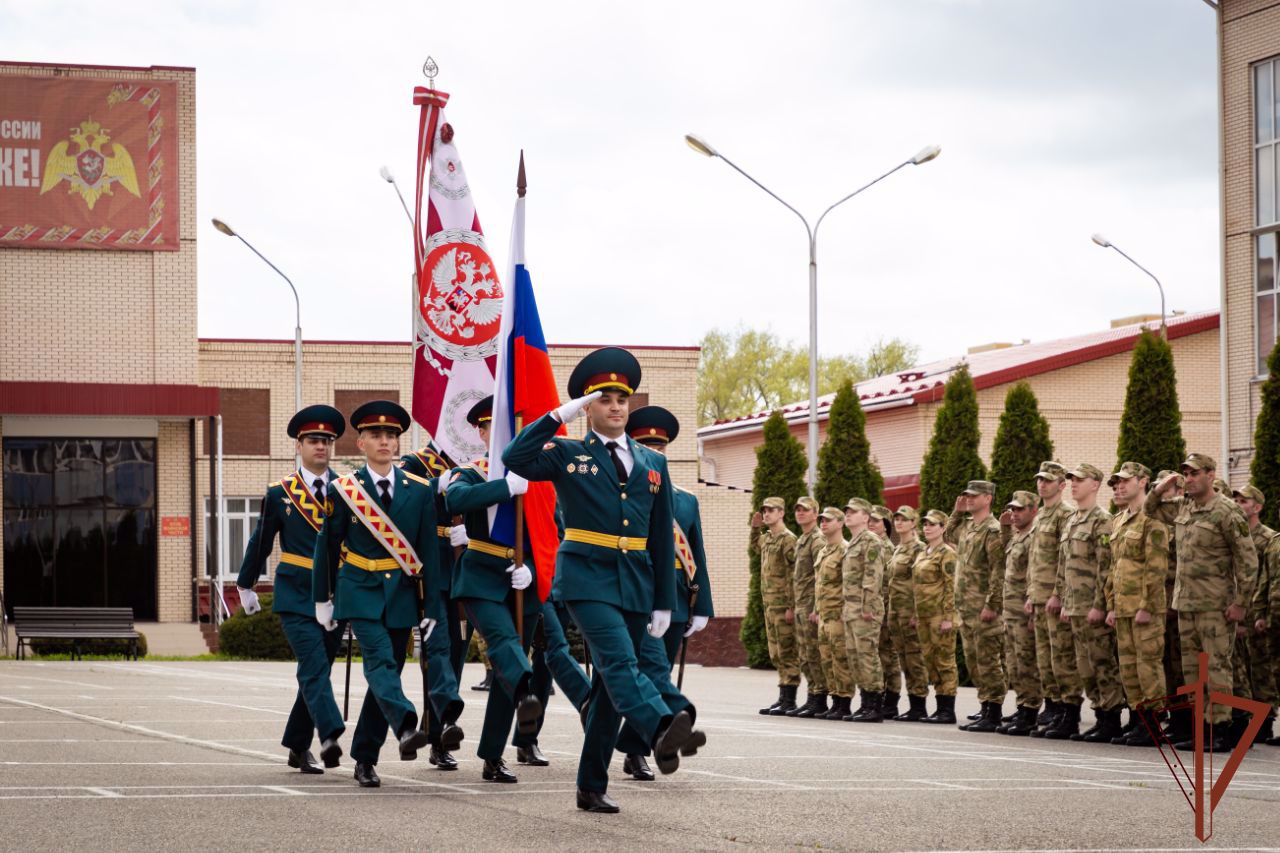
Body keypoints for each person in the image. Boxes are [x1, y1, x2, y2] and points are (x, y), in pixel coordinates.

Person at [501, 347, 702, 814]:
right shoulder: (568, 453)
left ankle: (590, 785)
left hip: (635, 580)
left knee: (612, 692)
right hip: (586, 579)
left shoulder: (653, 463)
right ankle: (659, 728)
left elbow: (659, 535)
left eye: (621, 399)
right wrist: (558, 415)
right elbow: (515, 458)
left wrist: (663, 602)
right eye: (604, 399)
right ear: (588, 408)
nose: (615, 406)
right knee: (616, 663)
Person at [311, 400, 445, 788]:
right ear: (361, 444)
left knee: (385, 677)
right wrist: (324, 598)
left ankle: (364, 758)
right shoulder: (344, 490)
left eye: (391, 435)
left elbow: (428, 553)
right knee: (380, 663)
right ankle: (406, 723)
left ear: (398, 444)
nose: (384, 441)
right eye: (375, 435)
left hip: (401, 593)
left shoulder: (419, 490)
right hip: (359, 590)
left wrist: (432, 605)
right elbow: (327, 545)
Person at [236, 405, 350, 774]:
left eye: (327, 441)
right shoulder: (280, 493)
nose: (321, 447)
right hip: (295, 592)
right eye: (314, 440)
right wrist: (245, 583)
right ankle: (330, 734)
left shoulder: (347, 491)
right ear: (299, 446)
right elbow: (260, 541)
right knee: (314, 666)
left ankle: (298, 747)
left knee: (317, 672)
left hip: (334, 594)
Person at [444, 395, 544, 784]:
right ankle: (527, 691)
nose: (500, 435)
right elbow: (456, 498)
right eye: (492, 428)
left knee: (508, 667)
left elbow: (553, 528)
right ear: (481, 433)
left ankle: (492, 755)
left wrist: (533, 569)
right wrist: (505, 487)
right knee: (506, 646)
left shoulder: (537, 475)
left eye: (508, 428)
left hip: (522, 578)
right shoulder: (470, 471)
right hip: (481, 574)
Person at [614, 405, 710, 780]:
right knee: (651, 670)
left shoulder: (685, 499)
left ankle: (637, 747)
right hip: (637, 590)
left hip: (675, 598)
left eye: (660, 447)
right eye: (646, 445)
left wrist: (701, 604)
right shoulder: (624, 492)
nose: (655, 453)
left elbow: (696, 552)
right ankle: (673, 721)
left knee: (657, 671)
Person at [1145, 454, 1259, 751]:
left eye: (1194, 473)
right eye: (1185, 473)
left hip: (1215, 605)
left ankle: (1221, 727)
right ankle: (1203, 726)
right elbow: (1149, 509)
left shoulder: (1227, 512)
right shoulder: (1185, 506)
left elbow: (1247, 561)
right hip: (1186, 604)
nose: (1189, 478)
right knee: (1193, 670)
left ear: (1210, 474)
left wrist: (1241, 604)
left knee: (1216, 668)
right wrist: (1161, 487)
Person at [399, 439, 468, 770]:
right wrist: (433, 486)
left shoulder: (476, 463)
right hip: (432, 569)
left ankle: (438, 730)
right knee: (438, 652)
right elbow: (400, 502)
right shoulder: (416, 464)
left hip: (466, 567)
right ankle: (440, 734)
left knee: (457, 654)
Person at [1049, 463, 1124, 743]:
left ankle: (1111, 718)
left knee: (1102, 662)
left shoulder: (1102, 520)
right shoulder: (1072, 521)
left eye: (1080, 480)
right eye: (1072, 480)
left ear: (1095, 484)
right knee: (1085, 667)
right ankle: (1099, 712)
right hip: (1074, 606)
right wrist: (1060, 597)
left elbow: (1106, 567)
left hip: (1092, 605)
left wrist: (1100, 605)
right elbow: (1063, 564)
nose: (1074, 484)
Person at [1103, 462, 1169, 747]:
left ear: (1143, 482)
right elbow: (1113, 568)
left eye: (1124, 481)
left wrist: (1147, 605)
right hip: (1123, 607)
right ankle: (1139, 721)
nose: (1119, 486)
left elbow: (1156, 567)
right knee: (1129, 669)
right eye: (1116, 482)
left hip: (1144, 609)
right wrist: (1110, 606)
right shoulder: (1118, 521)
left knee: (1147, 667)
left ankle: (1154, 724)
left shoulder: (1151, 518)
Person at [946, 481, 1007, 732]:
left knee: (988, 661)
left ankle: (994, 710)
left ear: (988, 498)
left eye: (974, 496)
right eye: (967, 496)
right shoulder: (969, 527)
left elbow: (998, 570)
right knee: (973, 661)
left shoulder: (992, 530)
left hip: (983, 609)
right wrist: (957, 512)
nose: (969, 499)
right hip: (967, 608)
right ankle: (985, 706)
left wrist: (992, 604)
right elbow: (949, 535)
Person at [1024, 462, 1076, 737]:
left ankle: (1068, 711)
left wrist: (1058, 593)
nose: (1042, 484)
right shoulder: (1042, 514)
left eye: (1048, 480)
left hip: (1054, 598)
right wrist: (1031, 595)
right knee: (1045, 658)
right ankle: (1053, 706)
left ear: (1061, 485)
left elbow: (1063, 558)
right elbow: (1036, 560)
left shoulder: (1064, 515)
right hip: (1039, 597)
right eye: (1040, 480)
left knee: (1061, 657)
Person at [1231, 484, 1277, 745]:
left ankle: (1265, 722)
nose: (1238, 504)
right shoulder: (1234, 535)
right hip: (1236, 610)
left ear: (1257, 507)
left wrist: (1260, 612)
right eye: (1235, 500)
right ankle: (1246, 717)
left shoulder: (1267, 539)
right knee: (1240, 670)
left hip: (1256, 612)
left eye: (1243, 501)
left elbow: (1266, 579)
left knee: (1260, 669)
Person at [750, 496, 801, 715]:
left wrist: (791, 605)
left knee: (787, 650)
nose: (767, 513)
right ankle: (783, 697)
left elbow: (794, 574)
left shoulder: (788, 539)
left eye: (771, 510)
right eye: (765, 510)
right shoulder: (769, 538)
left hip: (783, 606)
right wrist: (754, 528)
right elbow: (755, 546)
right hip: (770, 605)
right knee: (776, 652)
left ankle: (790, 699)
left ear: (781, 513)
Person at [997, 490, 1042, 736]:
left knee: (1027, 663)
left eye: (1020, 509)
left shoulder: (1034, 537)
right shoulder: (1017, 536)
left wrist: (1033, 604)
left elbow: (1035, 571)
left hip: (1024, 610)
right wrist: (1005, 528)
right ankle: (1023, 708)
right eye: (1012, 509)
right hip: (1011, 612)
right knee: (1014, 664)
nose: (1014, 514)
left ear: (1033, 510)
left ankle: (1030, 712)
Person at [841, 498, 886, 722]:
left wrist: (867, 605)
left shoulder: (871, 540)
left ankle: (875, 705)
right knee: (854, 656)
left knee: (867, 655)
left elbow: (873, 575)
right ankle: (865, 701)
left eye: (853, 512)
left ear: (866, 517)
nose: (847, 515)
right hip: (851, 609)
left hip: (865, 609)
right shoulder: (853, 542)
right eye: (846, 512)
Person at [914, 509, 959, 724]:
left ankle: (947, 710)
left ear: (943, 528)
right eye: (925, 524)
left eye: (932, 524)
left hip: (940, 615)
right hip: (924, 615)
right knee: (930, 662)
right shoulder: (924, 552)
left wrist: (949, 616)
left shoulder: (947, 553)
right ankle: (939, 707)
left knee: (944, 662)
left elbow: (952, 586)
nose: (927, 527)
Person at [886, 506, 929, 721]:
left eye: (905, 519)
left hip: (909, 612)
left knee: (914, 658)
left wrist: (916, 612)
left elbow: (920, 583)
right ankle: (913, 704)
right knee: (903, 659)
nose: (899, 522)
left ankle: (919, 704)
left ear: (914, 523)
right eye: (897, 519)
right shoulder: (898, 549)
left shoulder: (918, 548)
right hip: (896, 612)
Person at [789, 496, 828, 717]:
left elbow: (819, 577)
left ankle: (819, 697)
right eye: (798, 510)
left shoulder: (817, 540)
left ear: (815, 513)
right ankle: (813, 695)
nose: (801, 513)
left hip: (811, 606)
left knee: (814, 653)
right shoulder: (803, 539)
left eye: (805, 510)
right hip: (801, 605)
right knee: (805, 654)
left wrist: (816, 607)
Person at [814, 507, 854, 720]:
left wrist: (845, 612)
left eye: (828, 520)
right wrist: (817, 610)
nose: (823, 523)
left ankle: (844, 701)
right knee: (827, 659)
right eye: (821, 520)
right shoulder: (823, 551)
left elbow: (848, 584)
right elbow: (819, 584)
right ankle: (835, 699)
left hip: (838, 613)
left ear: (840, 523)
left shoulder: (845, 550)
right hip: (824, 613)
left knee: (840, 658)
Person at [870, 505, 901, 718]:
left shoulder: (886, 548)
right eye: (869, 520)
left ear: (886, 526)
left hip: (885, 610)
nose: (871, 523)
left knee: (888, 656)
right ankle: (882, 698)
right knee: (880, 655)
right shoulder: (872, 545)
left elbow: (889, 583)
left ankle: (890, 700)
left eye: (876, 521)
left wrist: (886, 612)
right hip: (874, 609)